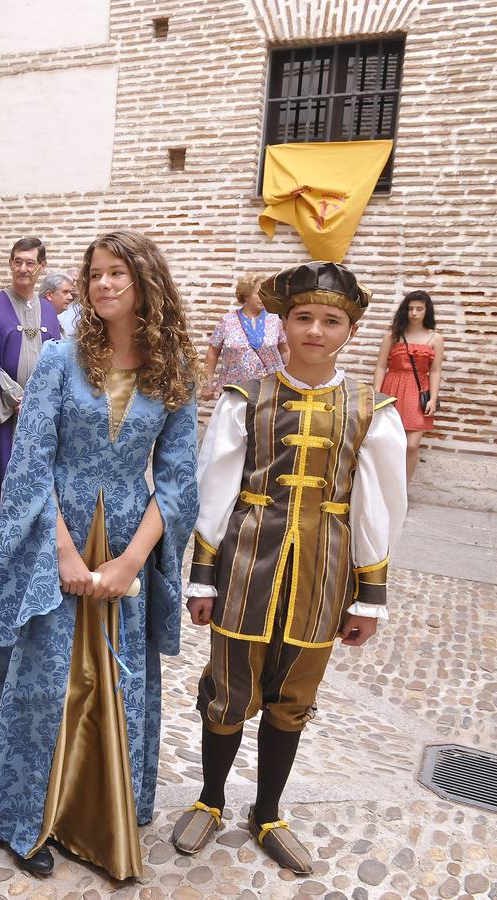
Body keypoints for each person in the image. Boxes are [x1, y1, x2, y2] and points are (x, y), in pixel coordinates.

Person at [0, 230, 200, 880]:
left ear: (146, 283)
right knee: (46, 681)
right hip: (56, 539)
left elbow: (179, 481)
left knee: (116, 682)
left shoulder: (173, 370)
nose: (102, 285)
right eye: (95, 274)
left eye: (117, 275)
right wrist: (66, 553)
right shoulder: (59, 360)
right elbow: (31, 462)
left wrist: (130, 565)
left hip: (130, 533)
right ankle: (26, 819)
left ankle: (100, 812)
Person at [172, 262, 407, 876]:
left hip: (324, 576)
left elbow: (377, 504)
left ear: (349, 333)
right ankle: (211, 799)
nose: (315, 331)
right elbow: (214, 487)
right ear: (283, 324)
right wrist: (203, 574)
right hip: (246, 568)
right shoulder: (244, 398)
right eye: (304, 317)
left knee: (293, 698)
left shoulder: (370, 408)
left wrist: (369, 596)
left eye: (331, 321)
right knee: (226, 692)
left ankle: (268, 812)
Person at [0, 238, 61, 567]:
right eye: (17, 261)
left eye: (30, 263)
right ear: (10, 263)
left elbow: (56, 359)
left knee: (32, 478)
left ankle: (25, 545)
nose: (23, 268)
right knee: (0, 474)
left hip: (37, 415)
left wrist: (41, 399)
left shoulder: (48, 309)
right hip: (2, 413)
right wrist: (17, 398)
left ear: (41, 267)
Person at [373, 289, 444, 481]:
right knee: (387, 441)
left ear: (426, 311)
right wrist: (376, 394)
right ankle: (385, 486)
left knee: (412, 445)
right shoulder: (392, 336)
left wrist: (434, 398)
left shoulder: (435, 338)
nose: (413, 313)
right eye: (410, 308)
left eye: (419, 309)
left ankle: (403, 488)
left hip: (418, 390)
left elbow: (435, 371)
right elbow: (380, 366)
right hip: (392, 388)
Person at [199, 273, 288, 402]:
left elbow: (285, 350)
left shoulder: (275, 319)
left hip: (269, 389)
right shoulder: (228, 320)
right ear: (246, 296)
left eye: (266, 294)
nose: (263, 298)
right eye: (259, 293)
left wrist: (291, 380)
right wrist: (207, 382)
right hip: (234, 389)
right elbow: (213, 352)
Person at [51, 270, 82, 337]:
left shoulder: (86, 307)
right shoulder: (54, 305)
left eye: (78, 281)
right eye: (72, 281)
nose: (75, 284)